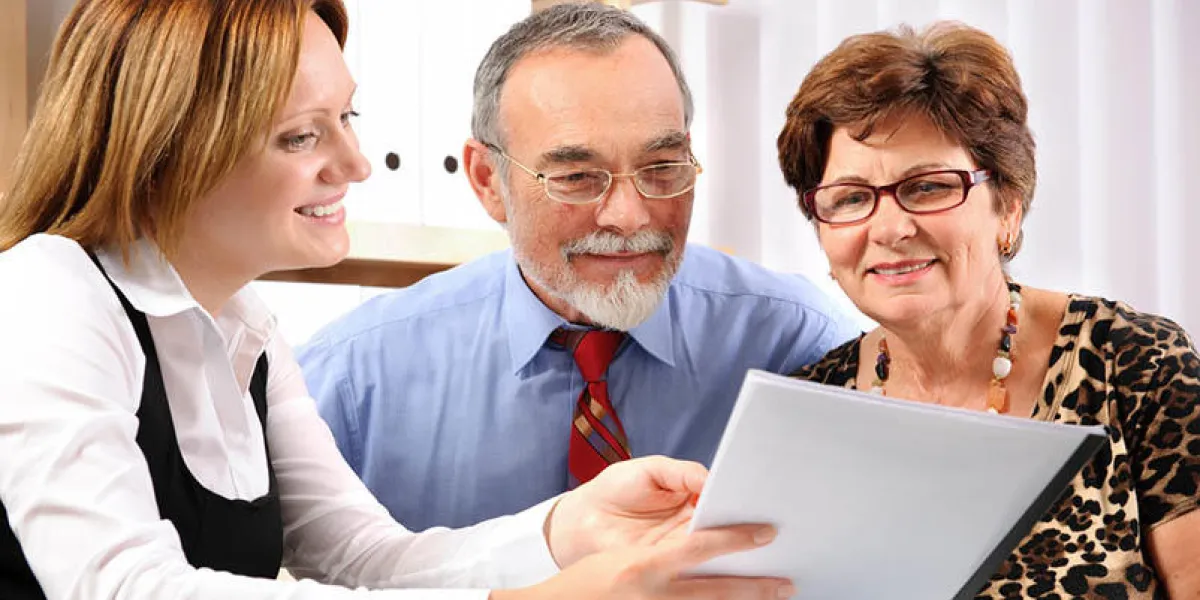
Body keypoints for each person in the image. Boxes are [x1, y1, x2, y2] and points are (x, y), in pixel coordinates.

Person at [0, 1, 796, 598]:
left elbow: (364, 557)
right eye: (301, 135)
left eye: (347, 117)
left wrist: (567, 529)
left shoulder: (248, 333)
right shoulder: (49, 291)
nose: (355, 162)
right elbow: (126, 589)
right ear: (172, 145)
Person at [298, 2, 859, 533]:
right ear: (487, 180)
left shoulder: (796, 341)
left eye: (662, 167)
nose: (627, 215)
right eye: (577, 177)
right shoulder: (351, 380)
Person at [777, 21, 1200, 598]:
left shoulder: (1135, 365)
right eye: (850, 198)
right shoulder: (809, 411)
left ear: (1008, 208)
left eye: (927, 186)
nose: (891, 228)